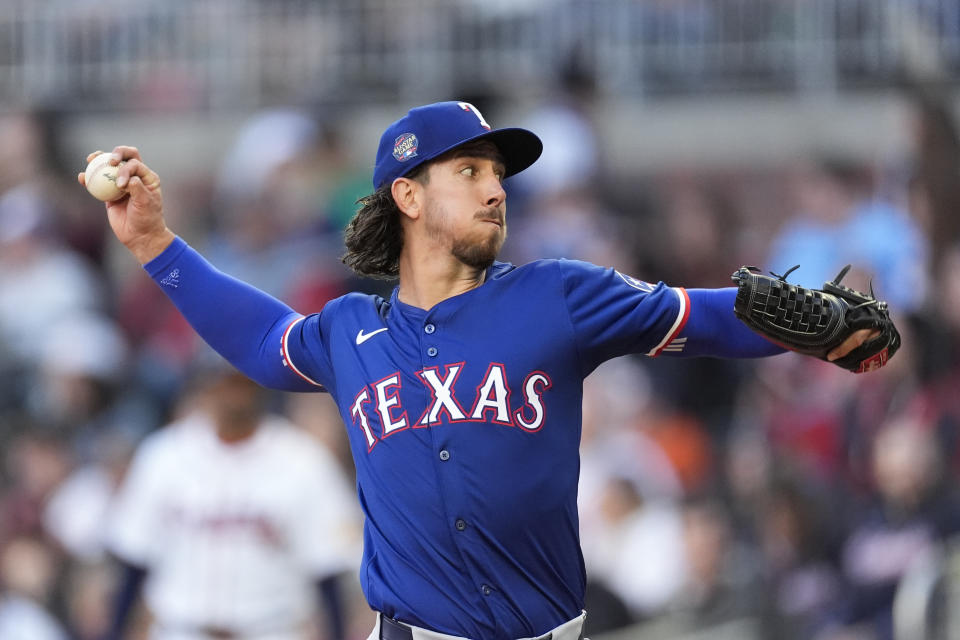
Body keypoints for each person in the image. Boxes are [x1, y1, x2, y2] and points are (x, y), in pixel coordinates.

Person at [79, 100, 880, 640]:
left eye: (498, 174)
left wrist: (814, 331)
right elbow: (262, 341)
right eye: (469, 172)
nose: (496, 190)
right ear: (410, 195)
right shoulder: (351, 331)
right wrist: (154, 245)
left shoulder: (558, 295)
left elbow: (699, 316)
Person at [101, 365, 361, 640]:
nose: (234, 395)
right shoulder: (163, 455)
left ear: (260, 387)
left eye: (242, 384)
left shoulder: (304, 461)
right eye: (223, 383)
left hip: (271, 630)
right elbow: (134, 561)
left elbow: (328, 571)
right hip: (181, 629)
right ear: (204, 388)